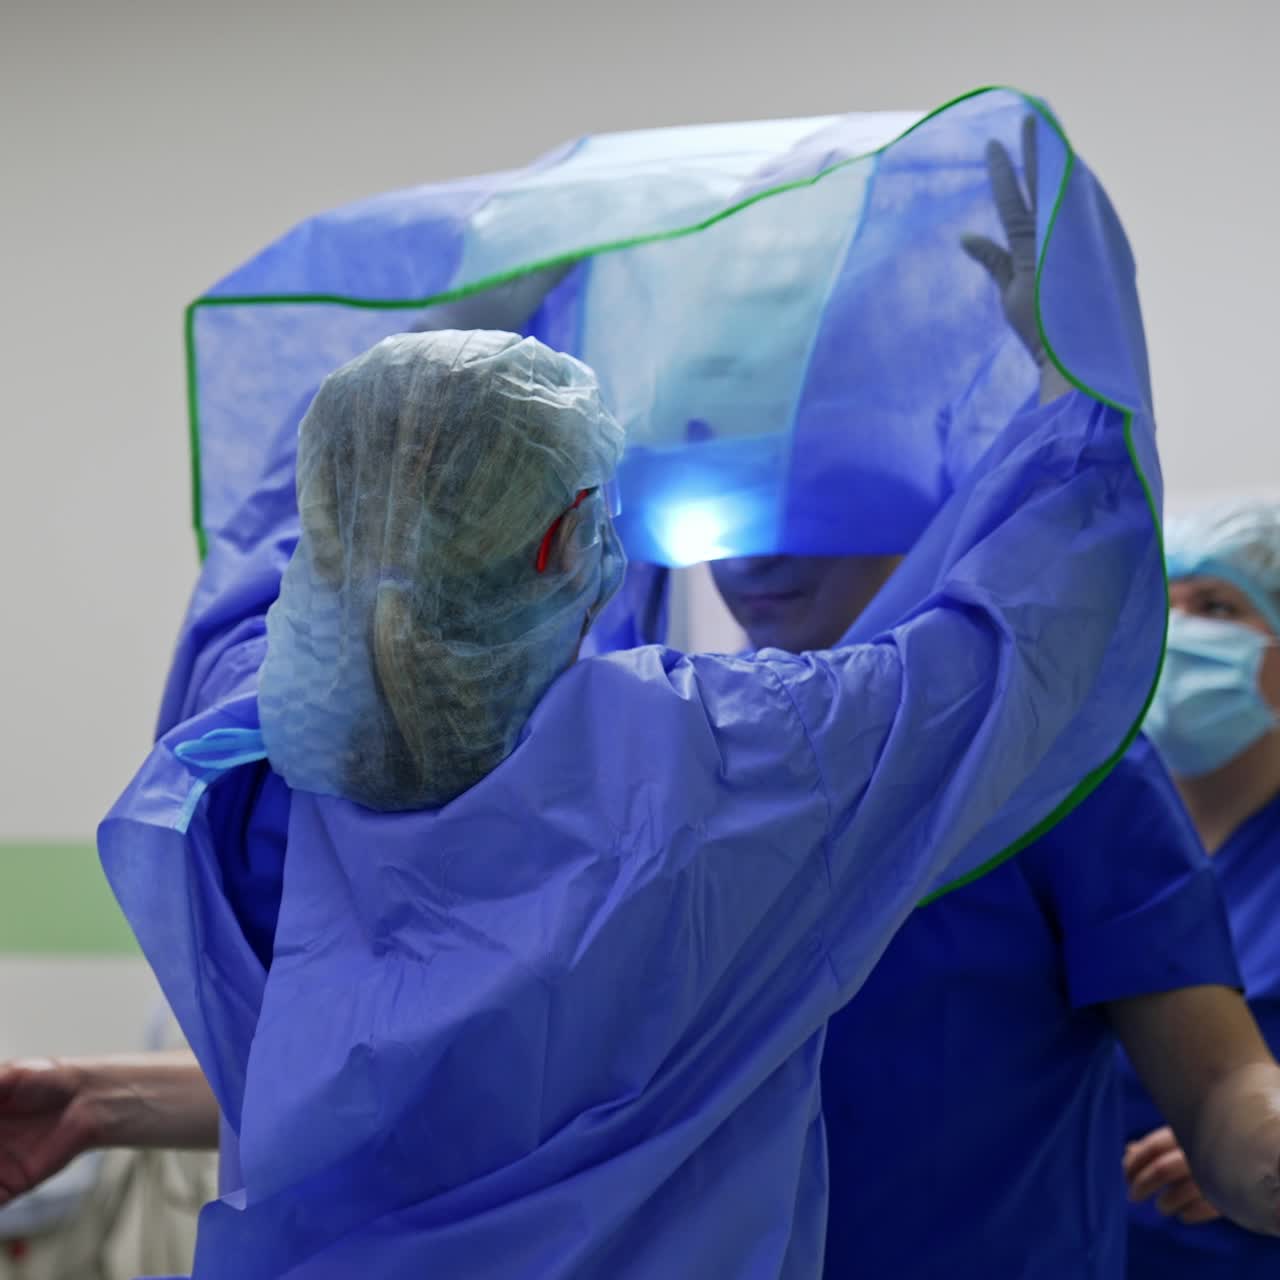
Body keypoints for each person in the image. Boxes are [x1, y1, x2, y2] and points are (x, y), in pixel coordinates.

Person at [1120, 500, 1280, 1277]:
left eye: (1217, 608)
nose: (1179, 637)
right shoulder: (1102, 837)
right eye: (1165, 606)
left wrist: (1248, 1144)